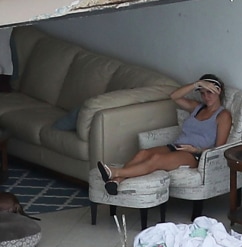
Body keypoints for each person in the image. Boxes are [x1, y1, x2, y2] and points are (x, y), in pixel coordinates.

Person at [97, 74, 232, 195]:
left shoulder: (223, 115)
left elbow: (219, 148)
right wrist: (197, 84)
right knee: (142, 154)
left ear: (218, 91)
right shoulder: (197, 107)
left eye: (210, 92)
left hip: (194, 154)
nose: (206, 97)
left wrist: (196, 150)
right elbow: (174, 96)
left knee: (155, 159)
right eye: (202, 93)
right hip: (176, 146)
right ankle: (115, 182)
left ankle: (115, 172)